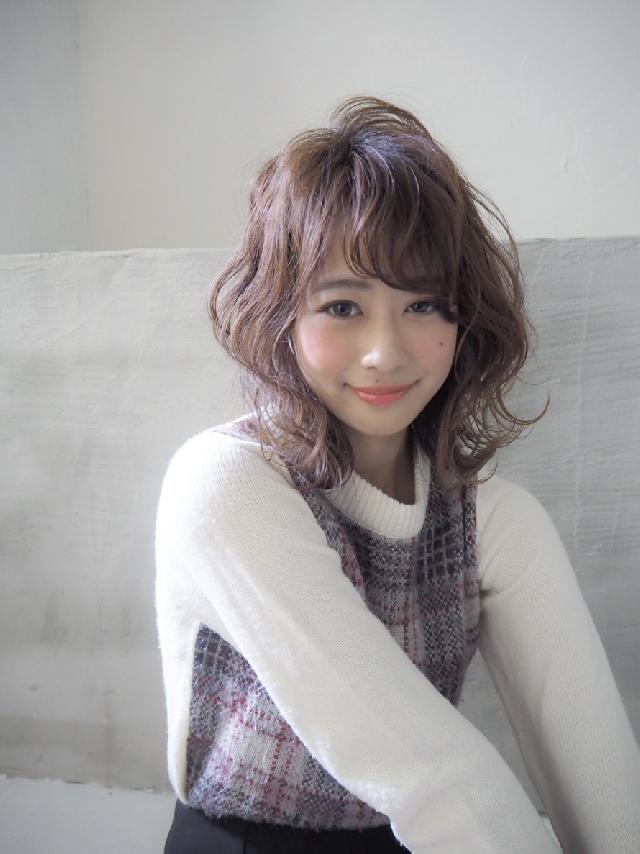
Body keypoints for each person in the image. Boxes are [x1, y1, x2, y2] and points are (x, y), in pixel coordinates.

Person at [154, 95, 640, 853]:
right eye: (343, 307)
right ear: (281, 316)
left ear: (463, 321)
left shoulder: (491, 519)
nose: (386, 352)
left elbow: (595, 766)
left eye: (424, 305)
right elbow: (434, 775)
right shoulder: (227, 484)